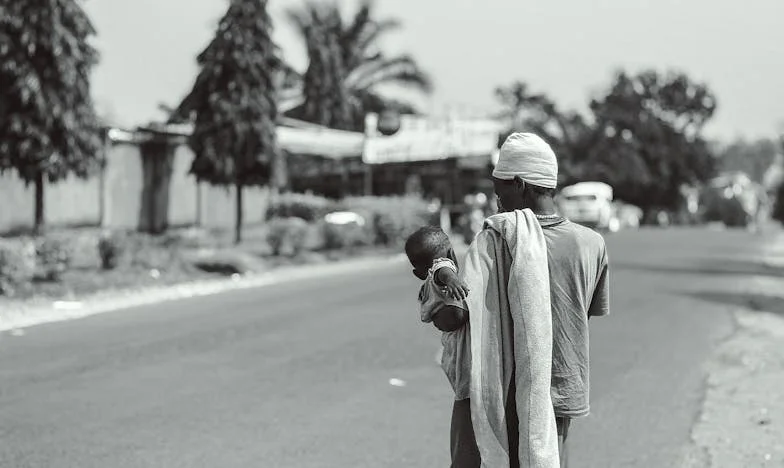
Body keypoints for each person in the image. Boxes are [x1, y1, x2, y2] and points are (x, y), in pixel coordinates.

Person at [451, 133, 610, 468]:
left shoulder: (493, 241)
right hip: (559, 390)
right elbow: (582, 317)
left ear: (520, 184)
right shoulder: (592, 244)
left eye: (500, 187)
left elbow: (456, 317)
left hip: (495, 391)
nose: (496, 197)